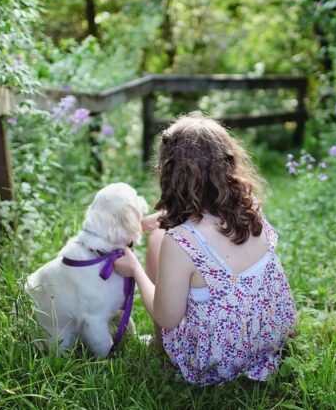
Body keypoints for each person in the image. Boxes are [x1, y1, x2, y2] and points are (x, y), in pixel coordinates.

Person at [113, 115, 298, 385]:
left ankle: (160, 346)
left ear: (171, 173)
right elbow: (203, 223)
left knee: (157, 240)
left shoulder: (180, 241)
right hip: (269, 339)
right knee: (162, 234)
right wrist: (152, 221)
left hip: (216, 360)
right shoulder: (250, 208)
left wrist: (136, 271)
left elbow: (167, 318)